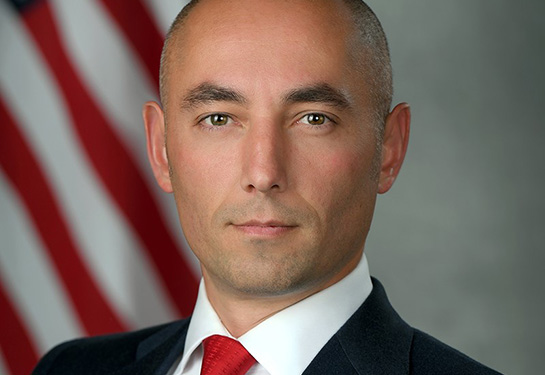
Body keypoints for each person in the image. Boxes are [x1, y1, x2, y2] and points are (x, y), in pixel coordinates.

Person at [33, 0, 500, 374]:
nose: (263, 171)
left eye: (314, 119)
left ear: (390, 149)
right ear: (160, 148)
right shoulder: (68, 368)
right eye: (218, 118)